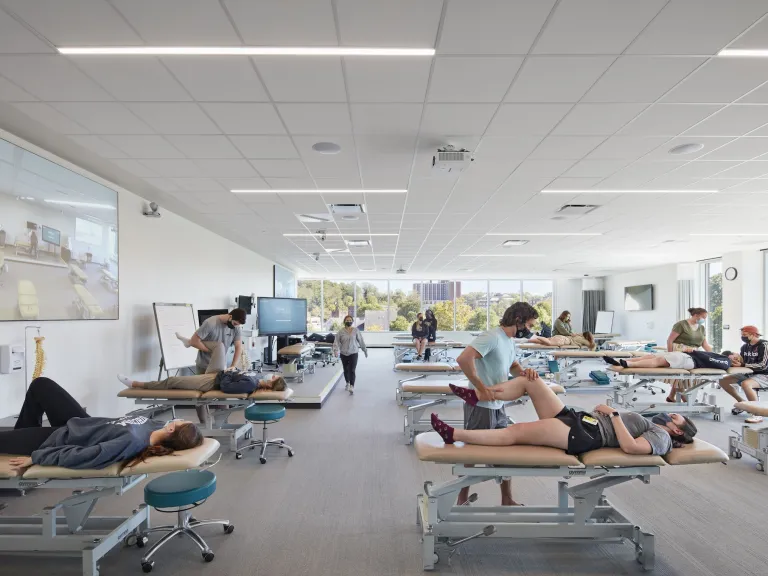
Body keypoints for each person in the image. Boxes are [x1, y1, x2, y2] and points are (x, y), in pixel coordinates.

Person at [432, 376, 698, 456]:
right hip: (580, 419)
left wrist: (614, 414)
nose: (671, 415)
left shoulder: (661, 437)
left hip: (584, 434)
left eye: (676, 418)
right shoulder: (655, 424)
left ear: (677, 431)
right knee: (530, 381)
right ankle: (479, 396)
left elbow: (630, 446)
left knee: (516, 431)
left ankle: (452, 434)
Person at [2, 377, 203, 472]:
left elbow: (83, 456)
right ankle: (21, 437)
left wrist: (37, 457)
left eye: (180, 421)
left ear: (170, 429)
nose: (176, 419)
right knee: (41, 385)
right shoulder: (156, 426)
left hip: (58, 439)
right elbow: (187, 438)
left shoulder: (131, 441)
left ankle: (21, 442)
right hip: (82, 423)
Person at [453, 301, 540, 507]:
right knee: (472, 453)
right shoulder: (492, 336)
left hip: (498, 405)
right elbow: (464, 359)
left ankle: (507, 499)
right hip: (481, 407)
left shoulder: (509, 341)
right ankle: (461, 498)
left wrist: (524, 372)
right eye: (529, 325)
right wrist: (480, 387)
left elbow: (512, 365)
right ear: (517, 320)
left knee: (505, 453)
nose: (530, 330)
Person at [720, 325, 768, 424]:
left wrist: (743, 364)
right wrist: (735, 363)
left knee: (746, 384)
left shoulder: (764, 345)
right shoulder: (744, 347)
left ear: (753, 334)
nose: (743, 337)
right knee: (723, 380)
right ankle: (743, 403)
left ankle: (757, 413)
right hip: (750, 373)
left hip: (764, 374)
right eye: (742, 335)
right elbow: (743, 362)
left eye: (745, 335)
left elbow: (763, 365)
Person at [176, 309, 246, 375]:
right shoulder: (210, 323)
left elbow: (238, 346)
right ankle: (188, 342)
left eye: (237, 325)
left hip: (219, 365)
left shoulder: (236, 328)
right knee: (218, 347)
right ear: (230, 316)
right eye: (235, 323)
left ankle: (188, 342)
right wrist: (213, 351)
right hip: (204, 365)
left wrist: (233, 365)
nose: (235, 326)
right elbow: (194, 341)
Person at [665, 307, 712, 403]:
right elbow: (670, 340)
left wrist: (713, 355)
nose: (704, 320)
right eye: (703, 317)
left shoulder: (701, 328)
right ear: (696, 315)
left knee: (683, 376)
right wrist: (669, 354)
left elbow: (704, 344)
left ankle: (671, 396)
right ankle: (685, 399)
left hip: (693, 353)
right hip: (679, 351)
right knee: (680, 376)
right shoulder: (681, 325)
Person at [118, 369, 287, 392]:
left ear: (271, 384)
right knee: (219, 347)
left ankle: (135, 384)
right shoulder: (256, 379)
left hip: (209, 383)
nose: (270, 375)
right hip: (214, 376)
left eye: (273, 377)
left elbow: (225, 388)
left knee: (171, 381)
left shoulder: (251, 384)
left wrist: (228, 372)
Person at [603, 350, 731, 371]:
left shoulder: (726, 361)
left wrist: (695, 351)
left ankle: (629, 364)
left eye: (737, 358)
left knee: (658, 360)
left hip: (690, 360)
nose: (735, 357)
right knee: (650, 357)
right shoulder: (720, 355)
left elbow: (714, 362)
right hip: (684, 355)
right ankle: (620, 361)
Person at [334, 315, 367, 394]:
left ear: (352, 321)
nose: (349, 321)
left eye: (350, 320)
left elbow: (361, 340)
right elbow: (336, 342)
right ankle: (347, 383)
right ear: (344, 321)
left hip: (353, 352)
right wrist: (335, 350)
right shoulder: (341, 331)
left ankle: (352, 386)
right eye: (347, 320)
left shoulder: (356, 330)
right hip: (343, 353)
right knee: (346, 369)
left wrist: (364, 349)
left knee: (352, 370)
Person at [527, 332, 596, 350]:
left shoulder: (579, 336)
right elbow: (591, 345)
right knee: (549, 343)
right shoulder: (583, 339)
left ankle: (527, 340)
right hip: (563, 340)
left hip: (561, 337)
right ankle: (536, 336)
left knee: (542, 342)